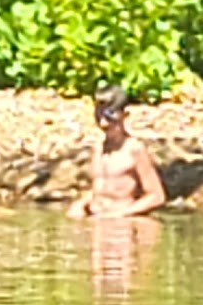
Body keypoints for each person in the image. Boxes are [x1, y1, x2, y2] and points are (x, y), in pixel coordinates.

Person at [69, 85, 167, 218]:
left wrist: (120, 214)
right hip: (97, 223)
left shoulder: (134, 150)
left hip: (122, 226)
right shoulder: (98, 149)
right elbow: (99, 188)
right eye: (99, 116)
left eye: (110, 117)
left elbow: (156, 196)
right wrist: (81, 204)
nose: (104, 124)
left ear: (124, 115)